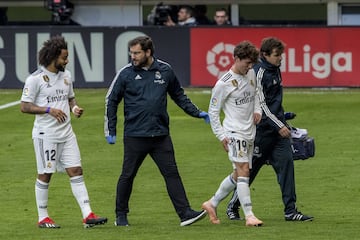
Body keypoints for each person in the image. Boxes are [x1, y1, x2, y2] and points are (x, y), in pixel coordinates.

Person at [104, 35, 209, 227]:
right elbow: (111, 100)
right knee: (128, 175)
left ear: (148, 52)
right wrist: (111, 129)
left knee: (172, 173)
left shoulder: (165, 70)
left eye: (136, 53)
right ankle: (121, 215)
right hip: (135, 135)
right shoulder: (125, 73)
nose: (133, 57)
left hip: (160, 135)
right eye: (131, 53)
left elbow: (179, 95)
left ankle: (185, 213)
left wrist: (197, 113)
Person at [20, 35, 108, 229]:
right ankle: (43, 218)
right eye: (64, 58)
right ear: (52, 57)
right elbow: (24, 107)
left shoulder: (66, 76)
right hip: (46, 135)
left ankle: (88, 215)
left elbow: (70, 99)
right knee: (45, 173)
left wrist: (74, 108)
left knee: (76, 170)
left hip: (66, 134)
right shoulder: (35, 79)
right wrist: (49, 110)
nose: (67, 61)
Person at [226, 37, 314, 222]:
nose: (280, 58)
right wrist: (279, 124)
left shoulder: (275, 70)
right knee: (248, 171)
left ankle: (290, 211)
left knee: (287, 166)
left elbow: (273, 103)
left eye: (281, 54)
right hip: (261, 134)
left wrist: (284, 116)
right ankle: (233, 206)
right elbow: (262, 104)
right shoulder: (258, 73)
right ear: (264, 55)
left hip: (277, 134)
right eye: (277, 55)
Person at [201, 41, 263, 227]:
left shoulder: (251, 73)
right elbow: (213, 112)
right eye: (247, 63)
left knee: (239, 173)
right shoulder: (223, 83)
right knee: (244, 171)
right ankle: (249, 216)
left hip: (249, 132)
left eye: (252, 63)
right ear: (236, 59)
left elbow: (257, 93)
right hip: (234, 132)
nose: (250, 67)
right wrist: (221, 136)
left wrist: (258, 110)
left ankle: (211, 203)